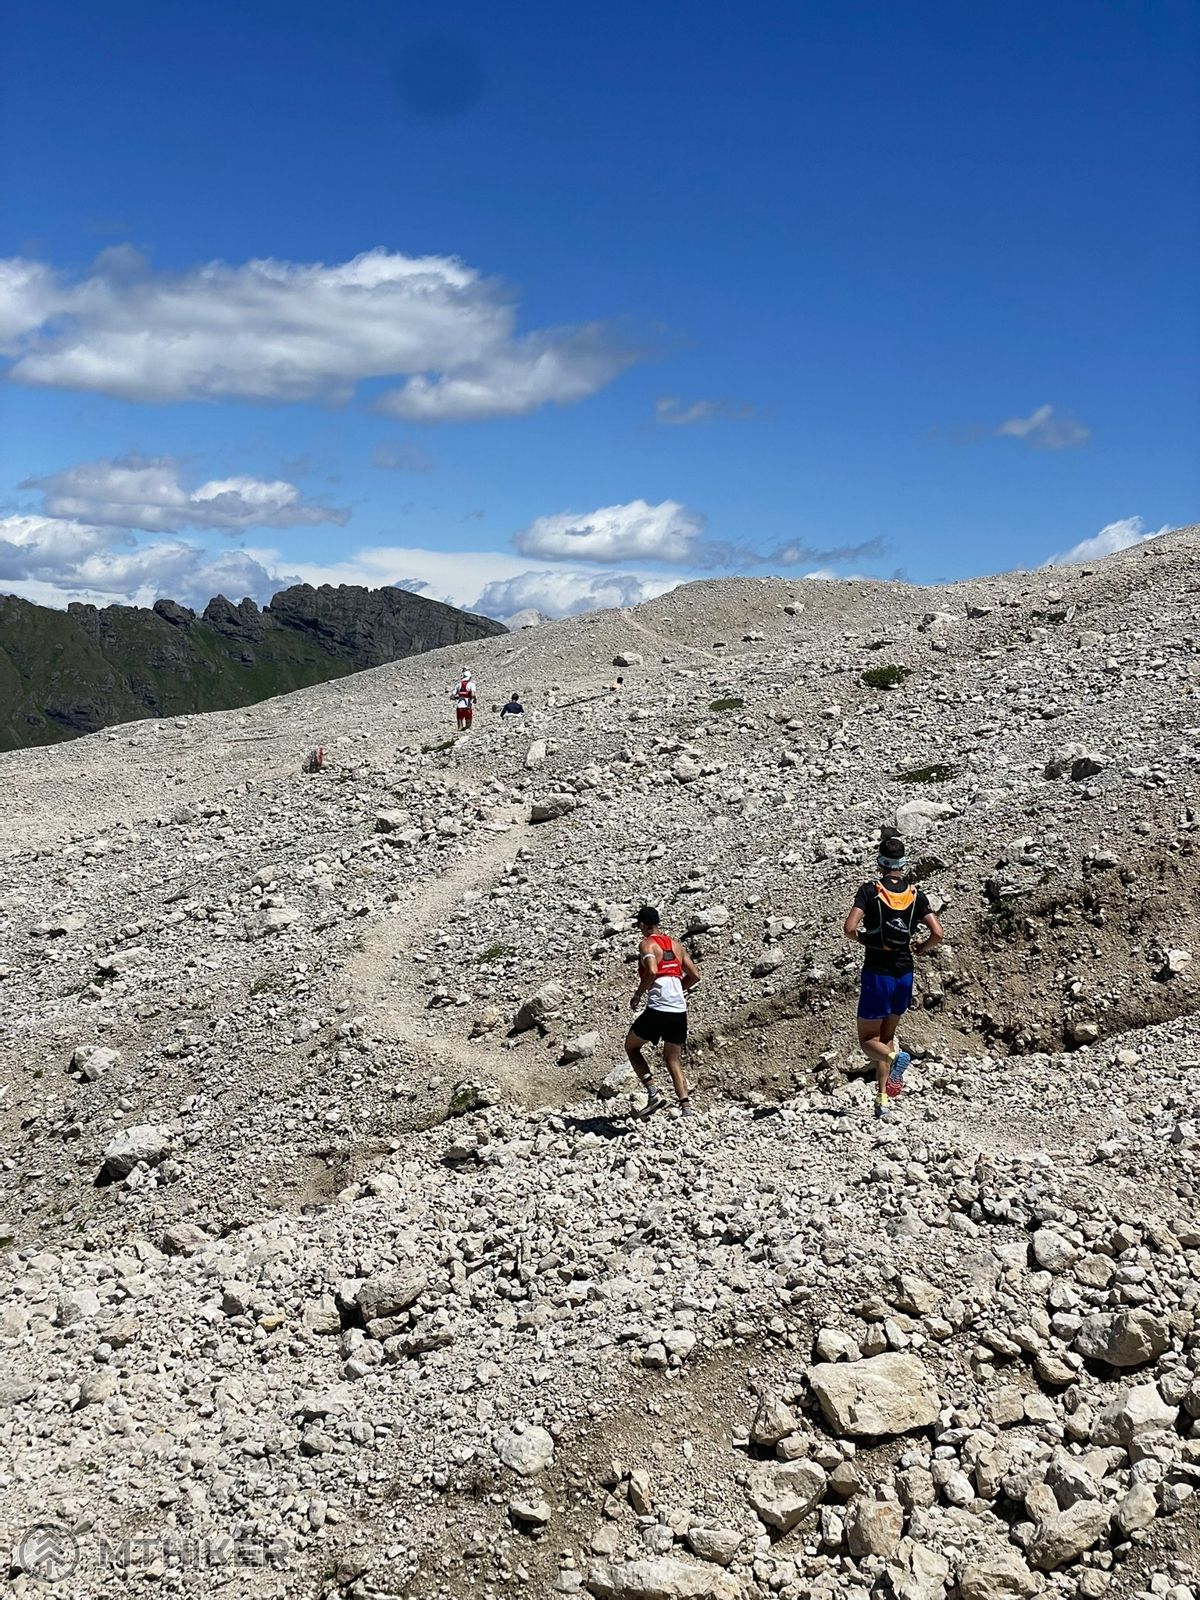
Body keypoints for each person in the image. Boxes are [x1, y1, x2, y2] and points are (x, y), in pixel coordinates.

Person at [842, 835, 943, 1119]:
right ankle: (883, 1100)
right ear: (903, 863)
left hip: (878, 973)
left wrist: (867, 941)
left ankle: (894, 1060)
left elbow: (849, 928)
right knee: (886, 1037)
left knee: (868, 1042)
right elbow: (937, 933)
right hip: (905, 972)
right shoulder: (915, 894)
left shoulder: (869, 890)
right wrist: (921, 948)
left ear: (880, 862)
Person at [625, 906, 701, 1119]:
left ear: (642, 925)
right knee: (672, 1059)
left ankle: (652, 1092)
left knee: (631, 1047)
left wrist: (638, 995)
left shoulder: (646, 944)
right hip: (679, 1007)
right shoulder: (676, 945)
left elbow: (652, 970)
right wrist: (677, 989)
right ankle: (686, 1108)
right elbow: (694, 975)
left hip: (658, 1006)